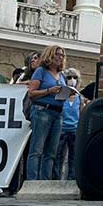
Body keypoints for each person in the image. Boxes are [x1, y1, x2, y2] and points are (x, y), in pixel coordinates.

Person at [27, 45, 67, 181]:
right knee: (37, 149)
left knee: (51, 152)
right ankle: (32, 181)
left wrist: (67, 93)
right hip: (42, 110)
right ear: (50, 55)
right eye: (57, 54)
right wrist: (49, 91)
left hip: (58, 112)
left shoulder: (61, 75)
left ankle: (45, 181)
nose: (60, 57)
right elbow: (31, 93)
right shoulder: (41, 71)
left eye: (62, 55)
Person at [53, 68, 83, 181]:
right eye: (69, 77)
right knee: (58, 156)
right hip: (62, 129)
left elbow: (81, 113)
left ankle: (72, 180)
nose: (72, 80)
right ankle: (55, 179)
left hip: (75, 130)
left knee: (73, 157)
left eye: (75, 78)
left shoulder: (79, 97)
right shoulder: (62, 95)